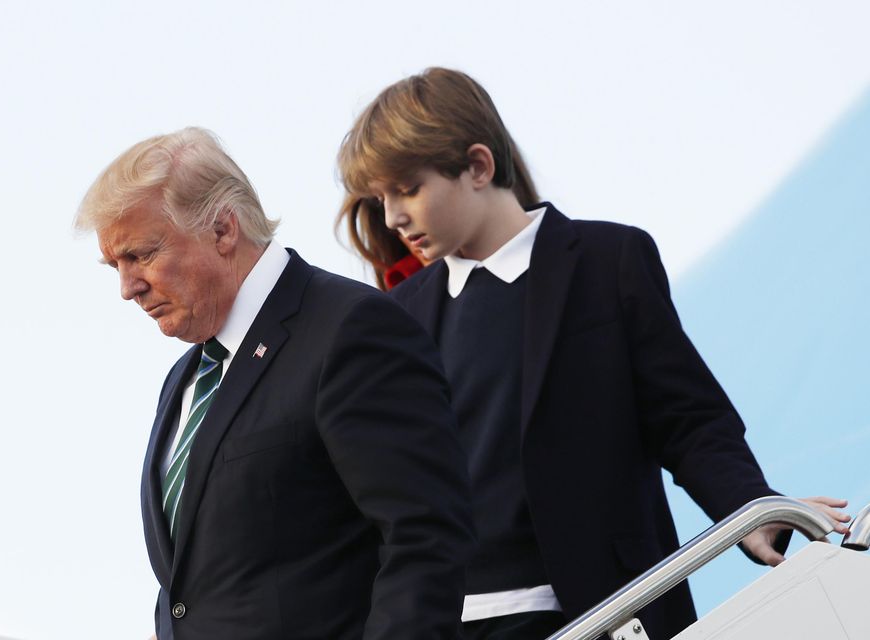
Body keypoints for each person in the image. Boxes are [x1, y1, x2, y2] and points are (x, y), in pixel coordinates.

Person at [336, 67, 851, 640]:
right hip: (450, 623)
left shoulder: (609, 261)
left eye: (407, 189)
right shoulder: (396, 316)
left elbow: (688, 418)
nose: (391, 217)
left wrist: (750, 510)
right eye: (380, 198)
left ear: (478, 166)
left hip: (605, 608)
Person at [74, 127, 476, 640]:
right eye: (115, 265)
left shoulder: (350, 330)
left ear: (223, 229)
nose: (128, 288)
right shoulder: (185, 378)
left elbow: (424, 538)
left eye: (142, 255)